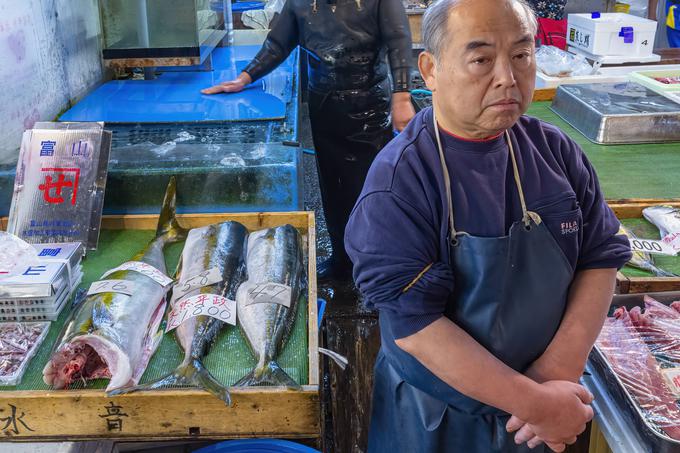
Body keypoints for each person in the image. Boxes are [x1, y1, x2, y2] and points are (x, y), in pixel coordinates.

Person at [345, 0, 632, 451]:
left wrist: (553, 377)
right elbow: (418, 326)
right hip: (440, 422)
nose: (507, 77)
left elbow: (601, 256)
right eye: (481, 59)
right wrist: (534, 403)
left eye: (521, 54)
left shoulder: (554, 151)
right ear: (431, 69)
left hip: (549, 410)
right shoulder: (400, 182)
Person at [202, 0, 415, 280]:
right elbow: (277, 44)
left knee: (371, 188)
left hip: (369, 108)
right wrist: (244, 77)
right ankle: (343, 259)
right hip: (324, 105)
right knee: (333, 187)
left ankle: (378, 264)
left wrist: (402, 95)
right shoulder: (300, 2)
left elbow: (399, 40)